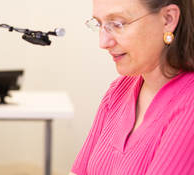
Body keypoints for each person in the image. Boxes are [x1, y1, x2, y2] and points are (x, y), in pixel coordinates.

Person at [70, 0, 194, 174]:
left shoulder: (189, 106)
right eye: (99, 24)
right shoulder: (119, 90)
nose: (103, 42)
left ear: (168, 19)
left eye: (117, 24)